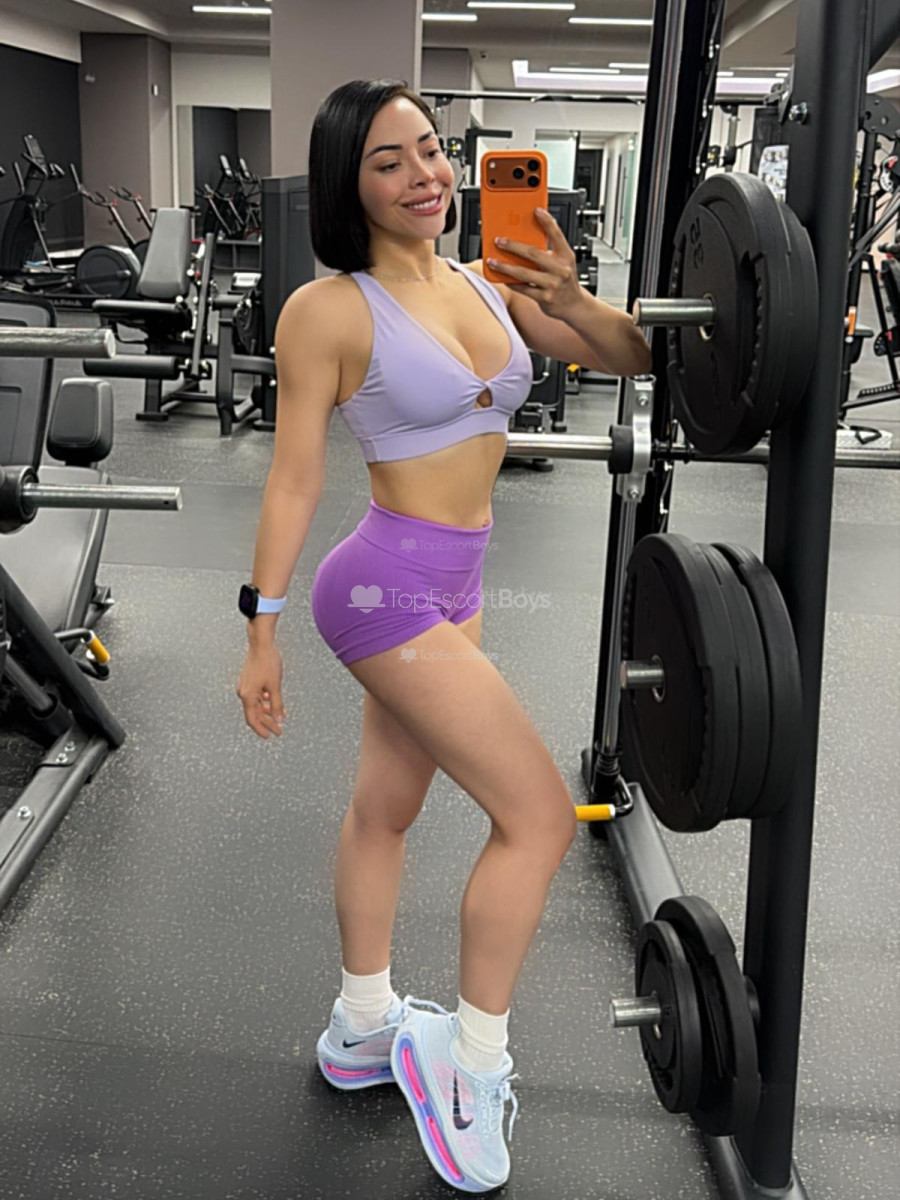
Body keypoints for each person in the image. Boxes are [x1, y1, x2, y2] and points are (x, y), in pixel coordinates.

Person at [235, 78, 651, 1194]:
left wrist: (573, 293)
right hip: (382, 589)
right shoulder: (328, 310)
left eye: (431, 148)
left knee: (387, 806)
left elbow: (632, 358)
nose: (424, 173)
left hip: (456, 581)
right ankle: (468, 1067)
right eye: (390, 161)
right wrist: (261, 630)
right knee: (538, 819)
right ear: (350, 185)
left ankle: (364, 1022)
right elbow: (293, 479)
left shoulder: (489, 279)